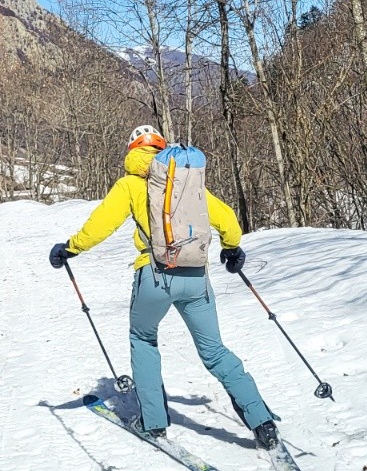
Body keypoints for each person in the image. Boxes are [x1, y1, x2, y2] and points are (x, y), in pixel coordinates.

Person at [49, 124, 280, 450]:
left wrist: (70, 248)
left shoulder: (130, 185)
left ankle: (153, 423)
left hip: (154, 278)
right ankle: (262, 422)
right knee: (215, 352)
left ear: (132, 153)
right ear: (162, 150)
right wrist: (231, 248)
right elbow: (227, 219)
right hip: (196, 278)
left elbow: (100, 224)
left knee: (143, 339)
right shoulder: (184, 181)